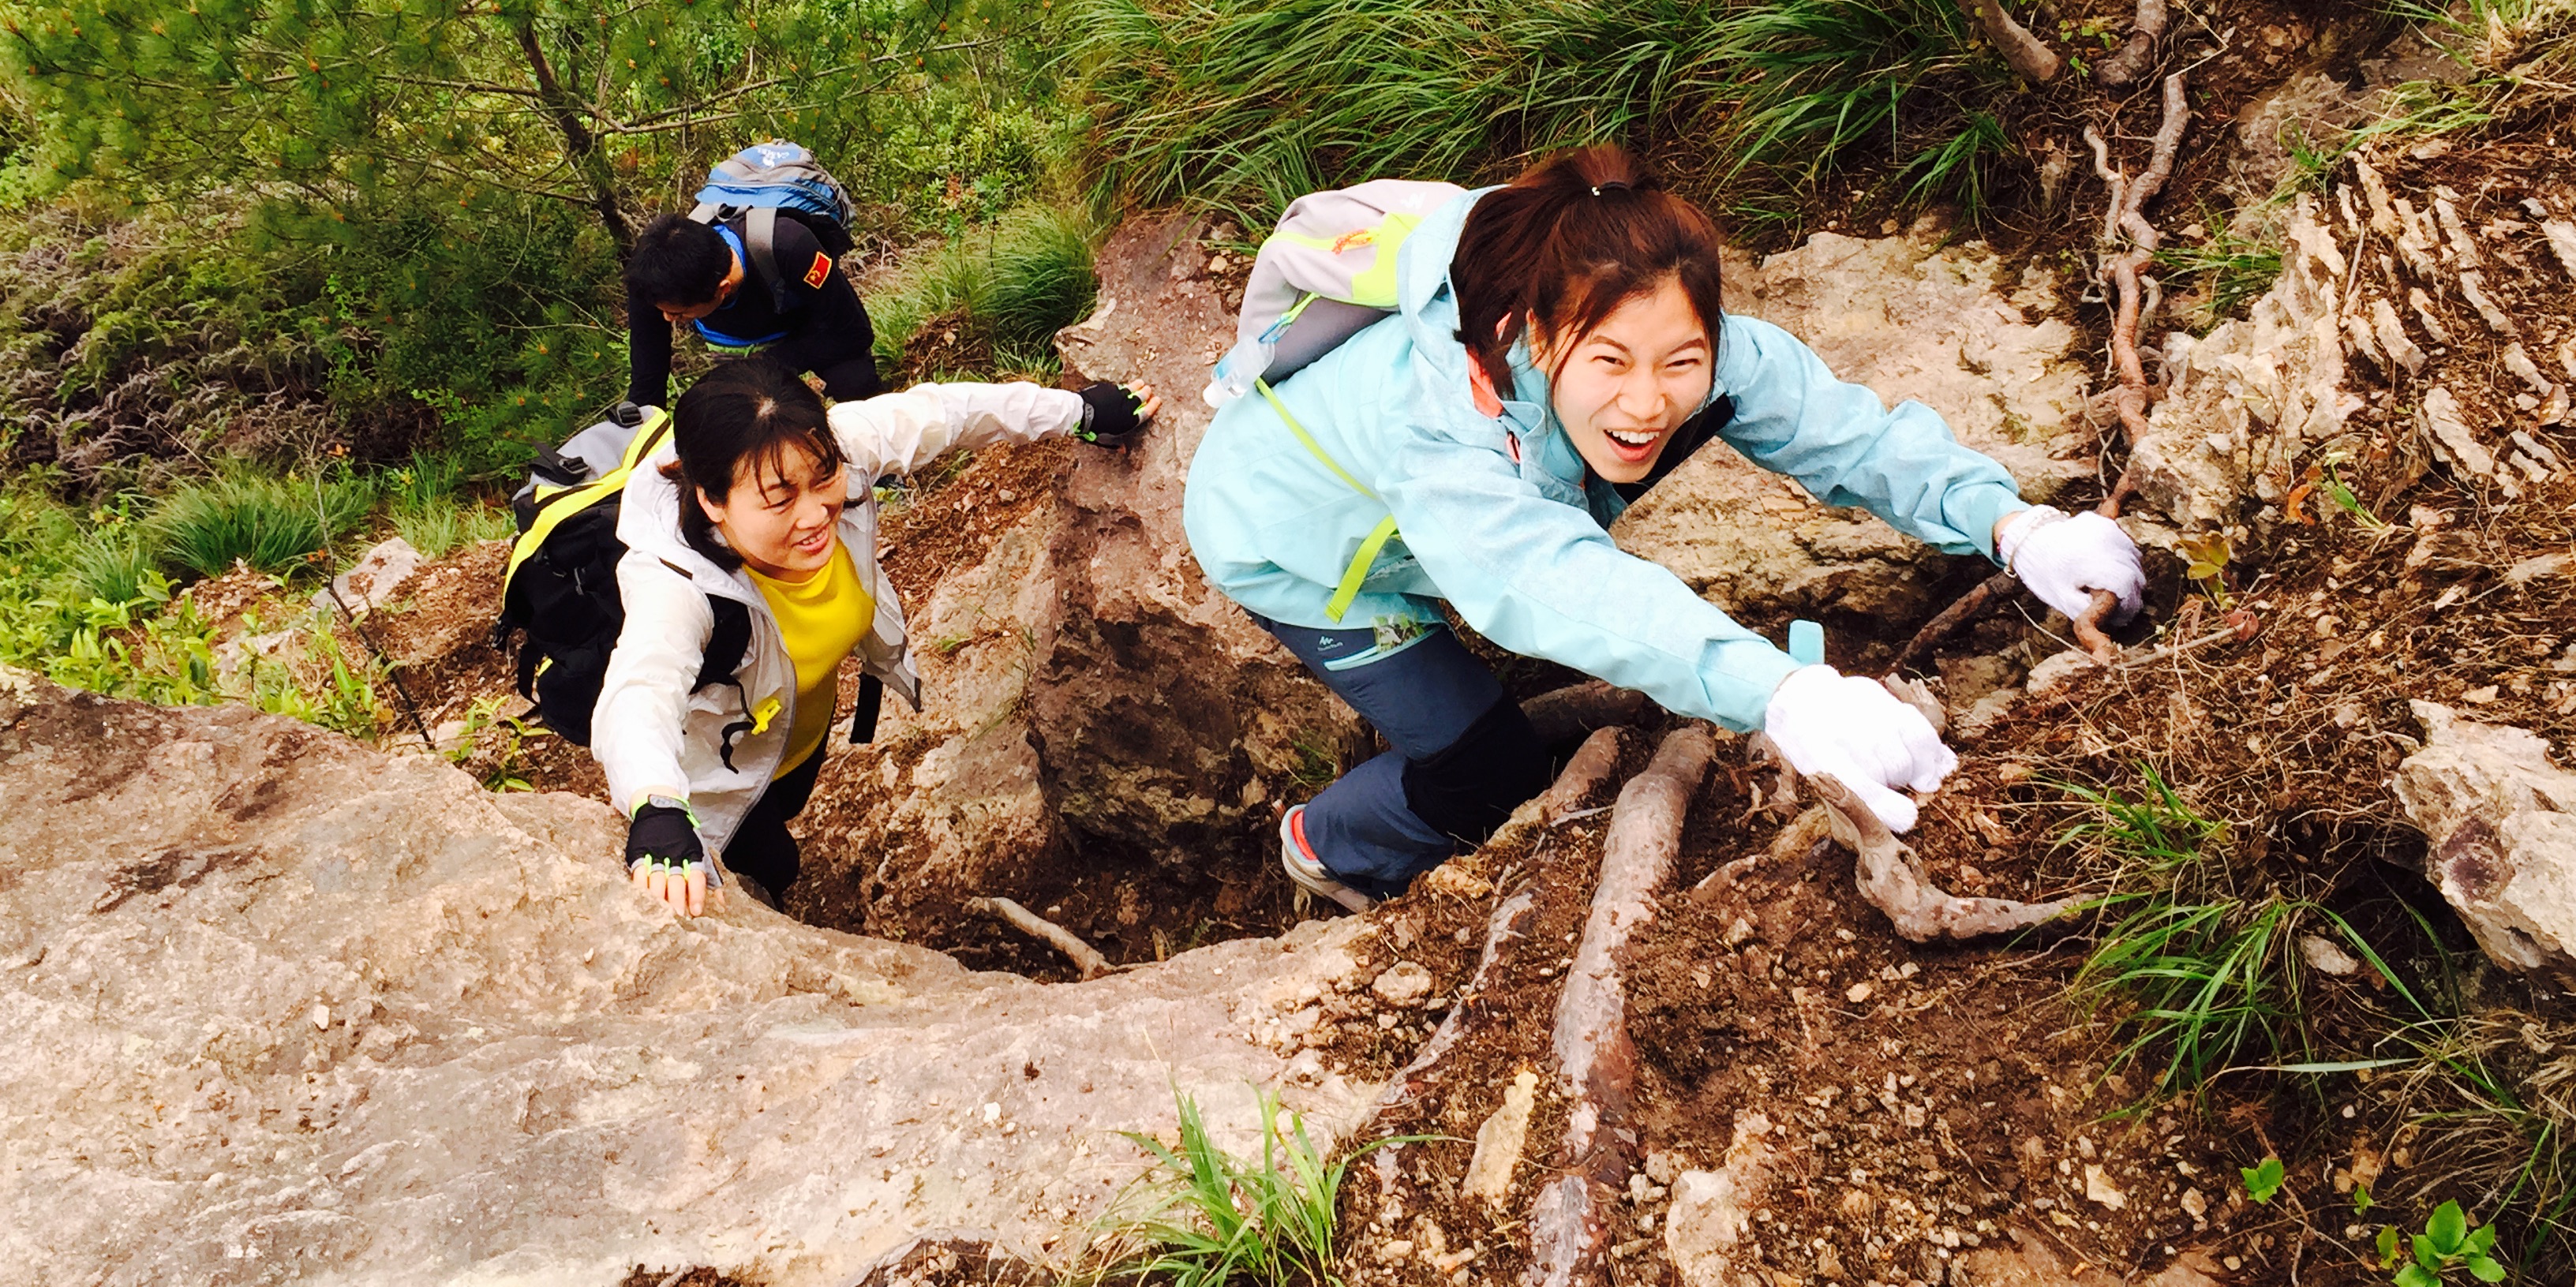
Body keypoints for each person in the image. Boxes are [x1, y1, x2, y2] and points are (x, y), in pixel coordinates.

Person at [1182, 146, 2144, 911]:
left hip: (1414, 524)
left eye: (1681, 360)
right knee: (1490, 772)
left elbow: (1847, 436)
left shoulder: (1705, 356)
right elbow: (1545, 577)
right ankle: (1325, 846)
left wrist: (2013, 526)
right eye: (1609, 361)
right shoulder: (1438, 422)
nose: (1648, 403)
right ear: (1536, 333)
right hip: (1297, 550)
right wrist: (1780, 692)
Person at [596, 357, 1158, 915]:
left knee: (786, 806)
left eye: (824, 479)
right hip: (713, 774)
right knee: (768, 865)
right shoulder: (676, 585)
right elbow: (640, 689)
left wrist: (1079, 411)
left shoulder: (810, 452)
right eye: (780, 500)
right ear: (712, 501)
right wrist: (658, 804)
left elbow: (947, 413)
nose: (815, 514)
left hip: (795, 729)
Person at [623, 210, 884, 412]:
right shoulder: (653, 279)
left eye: (680, 315)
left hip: (807, 324)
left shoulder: (790, 246)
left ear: (722, 289)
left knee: (855, 382)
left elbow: (854, 332)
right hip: (740, 344)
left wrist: (769, 363)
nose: (668, 319)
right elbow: (648, 377)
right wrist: (638, 433)